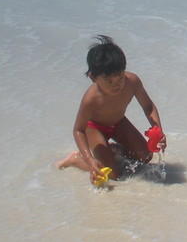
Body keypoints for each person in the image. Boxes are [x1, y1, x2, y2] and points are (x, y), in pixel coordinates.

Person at [57, 35, 167, 184]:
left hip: (118, 122)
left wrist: (158, 130)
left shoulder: (132, 82)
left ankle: (114, 151)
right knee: (112, 175)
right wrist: (89, 160)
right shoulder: (91, 99)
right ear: (93, 77)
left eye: (120, 77)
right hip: (94, 128)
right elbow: (78, 130)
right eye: (108, 81)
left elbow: (148, 106)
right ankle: (77, 160)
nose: (116, 85)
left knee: (145, 157)